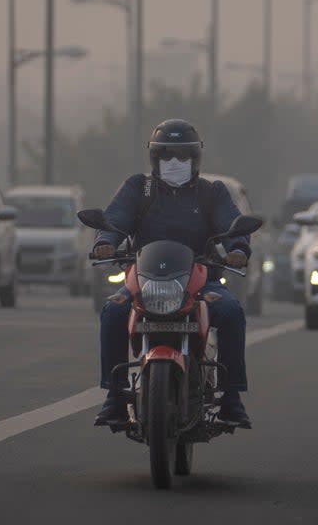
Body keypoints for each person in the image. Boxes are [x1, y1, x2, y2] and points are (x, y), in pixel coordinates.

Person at [91, 119, 253, 428]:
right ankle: (114, 396)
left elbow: (232, 225)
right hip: (143, 281)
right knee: (113, 311)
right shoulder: (139, 188)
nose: (174, 162)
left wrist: (238, 250)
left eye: (182, 155)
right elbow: (115, 219)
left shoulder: (211, 192)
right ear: (155, 158)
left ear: (195, 158)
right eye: (167, 155)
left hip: (201, 282)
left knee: (231, 312)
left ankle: (232, 398)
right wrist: (105, 242)